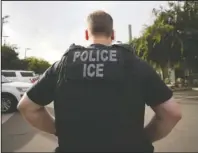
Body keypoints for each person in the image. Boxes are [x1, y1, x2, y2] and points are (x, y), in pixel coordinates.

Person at [17, 10, 182, 152]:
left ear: (87, 34)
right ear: (113, 34)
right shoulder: (134, 63)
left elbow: (27, 107)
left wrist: (57, 129)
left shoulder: (63, 65)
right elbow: (172, 113)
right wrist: (144, 138)